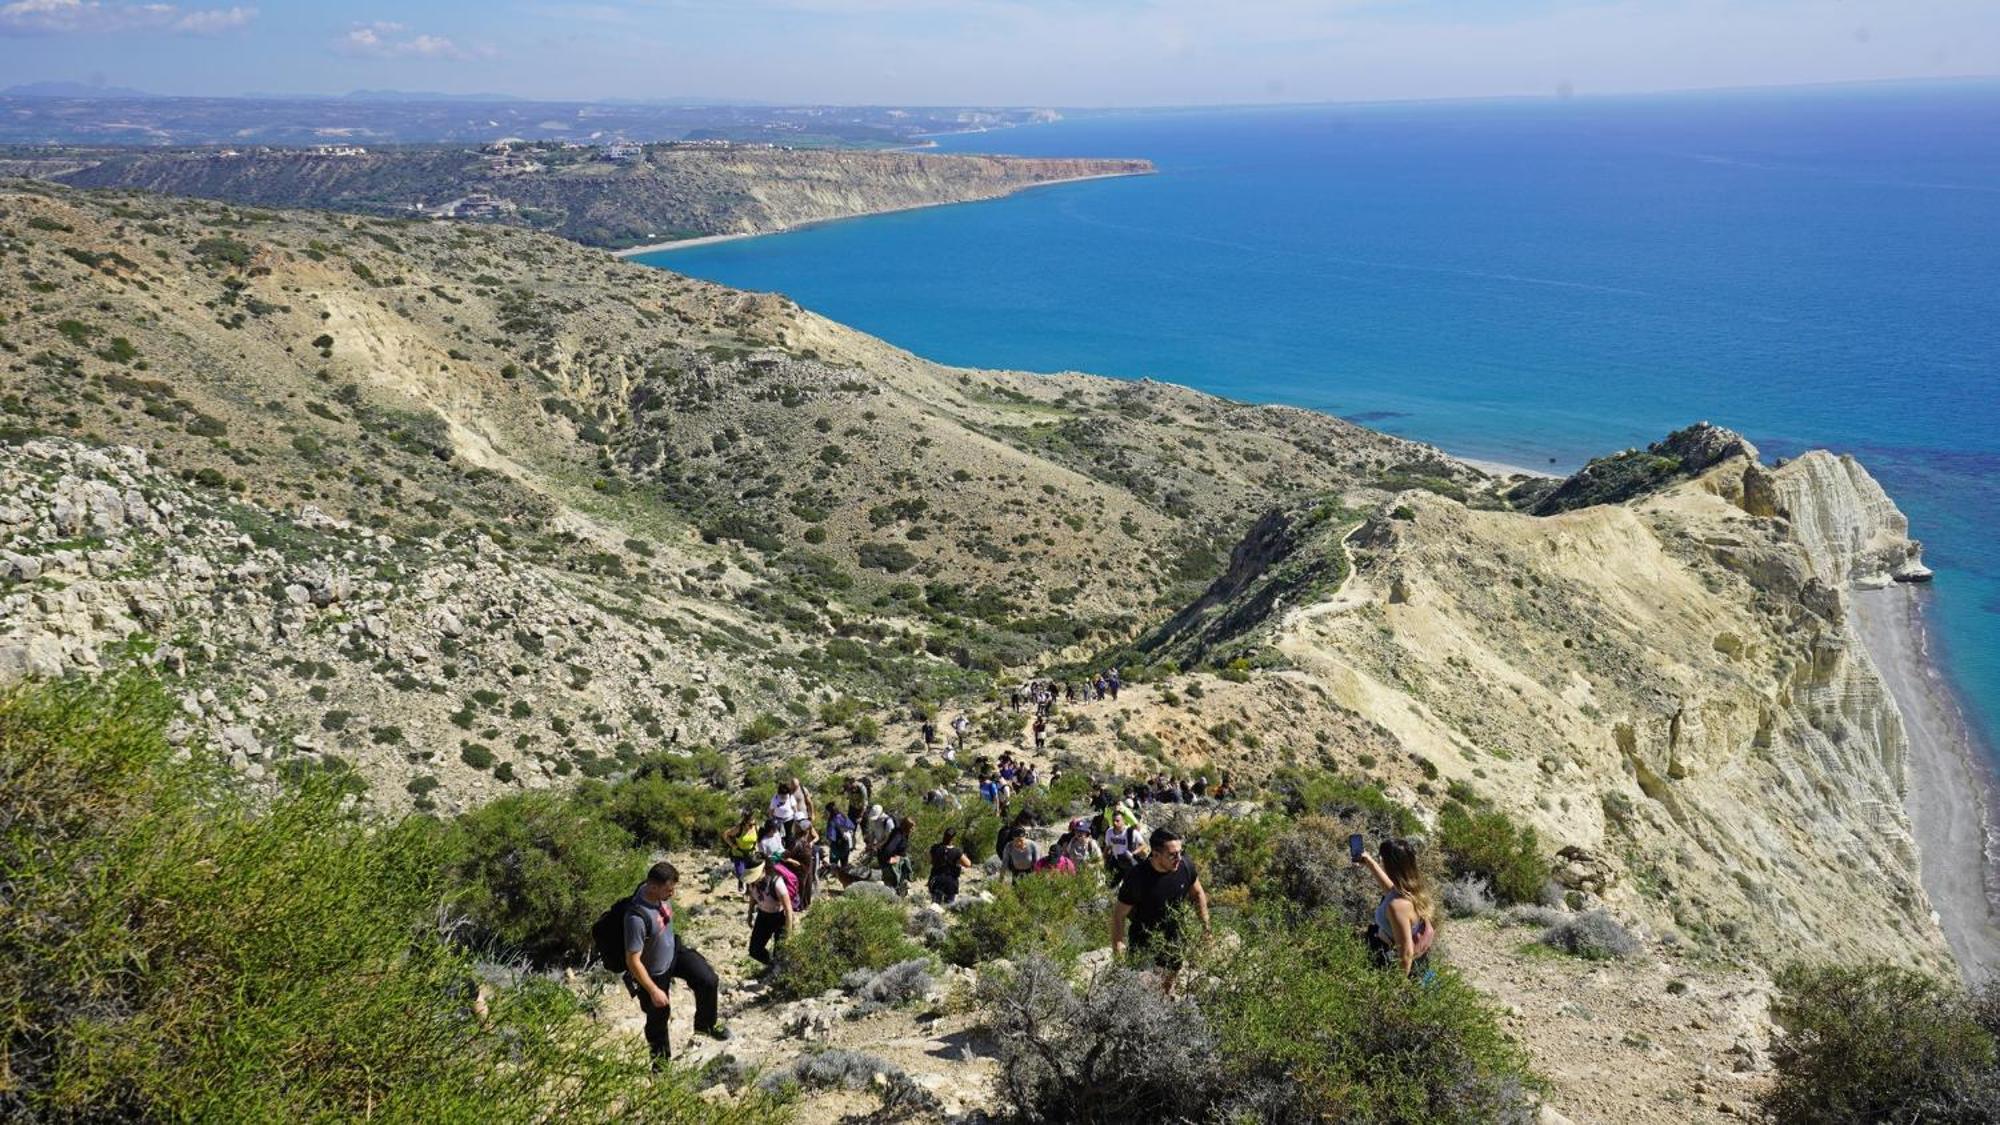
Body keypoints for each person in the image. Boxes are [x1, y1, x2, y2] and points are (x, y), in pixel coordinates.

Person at [622, 861, 729, 1065]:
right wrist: (653, 990)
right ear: (653, 887)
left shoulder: (656, 892)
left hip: (674, 952)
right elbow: (632, 961)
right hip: (653, 972)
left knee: (708, 979)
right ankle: (660, 1066)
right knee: (658, 1017)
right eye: (668, 890)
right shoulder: (635, 918)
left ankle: (705, 1028)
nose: (672, 894)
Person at [1111, 829, 1210, 993]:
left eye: (1180, 852)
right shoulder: (1137, 877)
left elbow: (1198, 893)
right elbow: (1119, 915)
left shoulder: (1185, 866)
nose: (1178, 858)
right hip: (1144, 946)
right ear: (1155, 854)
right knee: (1142, 994)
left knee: (1166, 990)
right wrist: (1119, 949)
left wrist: (1206, 928)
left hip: (1174, 942)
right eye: (1172, 854)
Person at [1357, 838, 1438, 978]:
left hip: (1390, 963)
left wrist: (1396, 990)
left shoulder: (1398, 906)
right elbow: (1390, 890)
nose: (1380, 860)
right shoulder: (1411, 891)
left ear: (1389, 865)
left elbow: (1406, 954)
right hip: (1417, 963)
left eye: (1381, 858)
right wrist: (1370, 863)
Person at [747, 853, 798, 966]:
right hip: (763, 916)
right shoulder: (753, 883)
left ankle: (778, 968)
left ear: (763, 870)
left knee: (780, 952)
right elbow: (752, 897)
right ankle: (771, 964)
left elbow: (789, 910)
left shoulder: (777, 883)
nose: (753, 880)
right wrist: (750, 914)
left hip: (780, 918)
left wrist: (788, 936)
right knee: (754, 950)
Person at [927, 826, 973, 905]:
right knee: (949, 906)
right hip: (950, 881)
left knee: (935, 905)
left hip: (936, 879)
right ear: (953, 838)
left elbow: (929, 861)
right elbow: (968, 864)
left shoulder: (935, 848)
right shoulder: (956, 851)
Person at [877, 811, 912, 896]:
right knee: (892, 884)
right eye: (911, 827)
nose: (913, 830)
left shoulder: (903, 833)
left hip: (898, 862)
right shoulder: (898, 835)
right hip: (892, 865)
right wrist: (891, 859)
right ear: (906, 827)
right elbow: (888, 850)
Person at [726, 810, 760, 893]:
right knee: (741, 873)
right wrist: (732, 845)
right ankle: (740, 881)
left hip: (750, 853)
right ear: (745, 823)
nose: (752, 826)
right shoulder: (738, 828)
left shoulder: (756, 827)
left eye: (754, 824)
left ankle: (748, 891)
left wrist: (757, 847)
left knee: (750, 874)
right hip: (739, 853)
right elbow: (725, 834)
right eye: (750, 824)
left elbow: (758, 838)